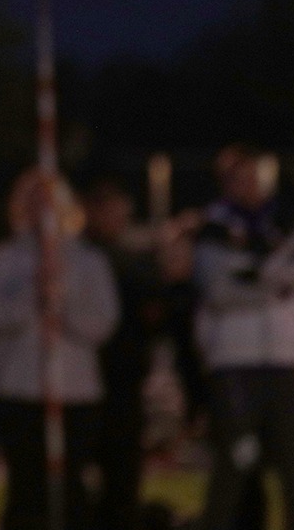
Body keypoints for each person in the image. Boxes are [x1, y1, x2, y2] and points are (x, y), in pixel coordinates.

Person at [191, 146, 294, 530]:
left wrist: (259, 277)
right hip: (235, 364)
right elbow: (218, 291)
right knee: (235, 463)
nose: (250, 186)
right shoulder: (214, 230)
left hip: (283, 364)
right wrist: (276, 282)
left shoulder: (286, 224)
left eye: (255, 177)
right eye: (241, 178)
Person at [0, 169, 119, 530]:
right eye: (35, 202)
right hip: (19, 389)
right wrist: (34, 295)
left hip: (75, 392)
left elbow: (101, 325)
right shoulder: (3, 259)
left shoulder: (89, 261)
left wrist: (63, 301)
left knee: (70, 484)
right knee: (26, 488)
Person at [79, 176, 169, 529]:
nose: (120, 221)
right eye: (114, 213)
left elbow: (156, 313)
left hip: (126, 379)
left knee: (123, 475)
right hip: (90, 379)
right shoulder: (87, 257)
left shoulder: (132, 259)